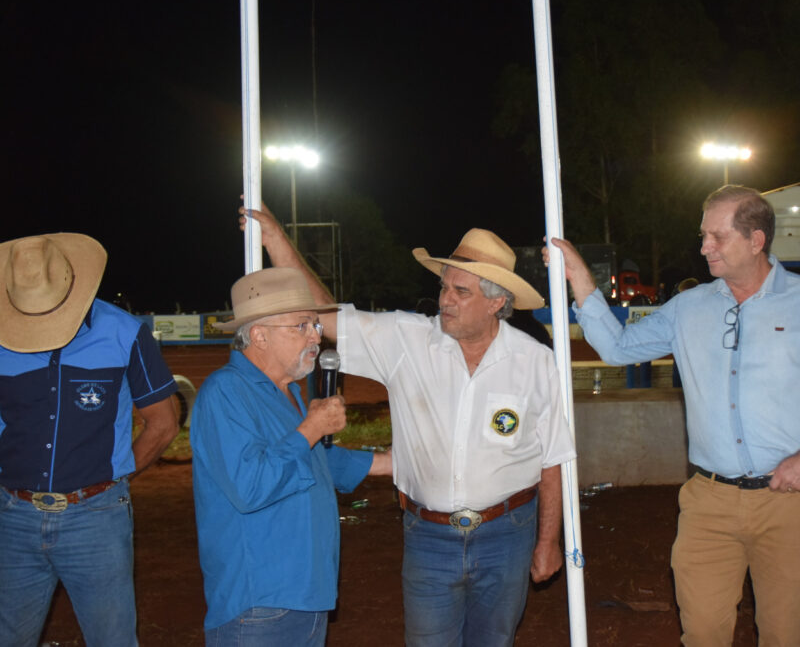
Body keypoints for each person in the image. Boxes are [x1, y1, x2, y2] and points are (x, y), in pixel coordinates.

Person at [549, 185, 800, 646]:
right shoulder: (689, 307)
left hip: (789, 501)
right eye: (703, 236)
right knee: (703, 633)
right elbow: (618, 348)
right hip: (708, 503)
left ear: (756, 240)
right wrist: (579, 279)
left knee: (783, 635)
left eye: (717, 236)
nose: (704, 247)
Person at [243, 206, 576, 647]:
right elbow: (326, 315)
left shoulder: (535, 362)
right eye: (444, 287)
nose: (445, 300)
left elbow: (553, 458)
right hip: (428, 537)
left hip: (507, 536)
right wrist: (275, 239)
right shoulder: (407, 339)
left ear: (497, 302)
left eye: (461, 291)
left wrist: (548, 542)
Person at [191, 267, 391, 645]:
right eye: (301, 325)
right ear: (259, 335)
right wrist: (311, 428)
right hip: (260, 601)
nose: (316, 337)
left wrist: (387, 463)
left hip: (305, 591)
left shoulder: (287, 392)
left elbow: (310, 461)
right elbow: (251, 485)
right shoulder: (226, 392)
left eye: (316, 325)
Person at [0, 233, 179, 647]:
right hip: (12, 516)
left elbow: (163, 423)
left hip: (96, 517)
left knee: (112, 639)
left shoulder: (124, 333)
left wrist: (112, 480)